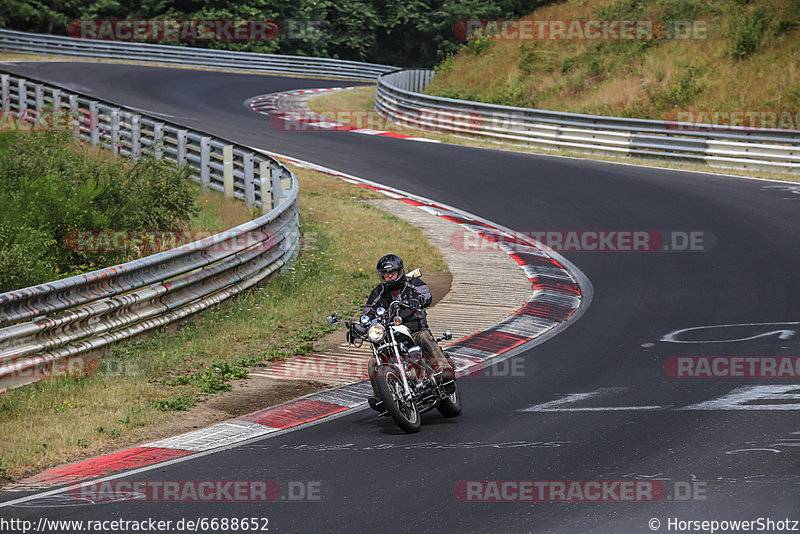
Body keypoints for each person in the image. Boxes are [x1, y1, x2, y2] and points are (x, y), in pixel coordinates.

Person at [363, 254, 455, 396]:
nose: (389, 277)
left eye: (392, 273)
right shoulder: (378, 292)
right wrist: (360, 325)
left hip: (415, 329)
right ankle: (380, 396)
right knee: (373, 361)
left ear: (399, 271)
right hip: (392, 334)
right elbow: (369, 310)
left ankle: (444, 368)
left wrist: (418, 300)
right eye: (385, 274)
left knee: (423, 337)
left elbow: (426, 294)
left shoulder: (412, 283)